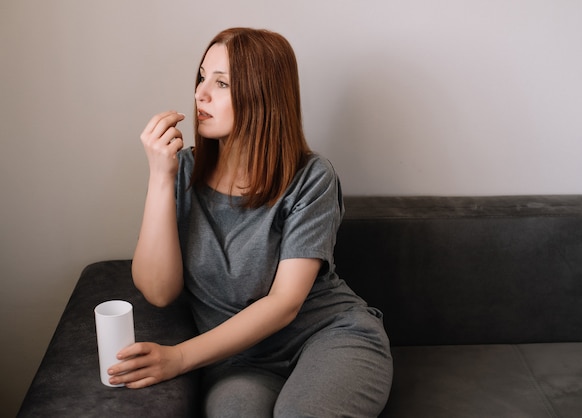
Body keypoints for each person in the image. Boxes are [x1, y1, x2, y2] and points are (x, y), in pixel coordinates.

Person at [107, 27, 393, 417]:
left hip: (328, 336)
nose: (200, 93)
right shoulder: (182, 170)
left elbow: (284, 304)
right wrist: (160, 177)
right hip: (238, 362)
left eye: (221, 83)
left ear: (263, 95)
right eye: (201, 77)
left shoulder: (311, 177)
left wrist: (178, 358)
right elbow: (159, 292)